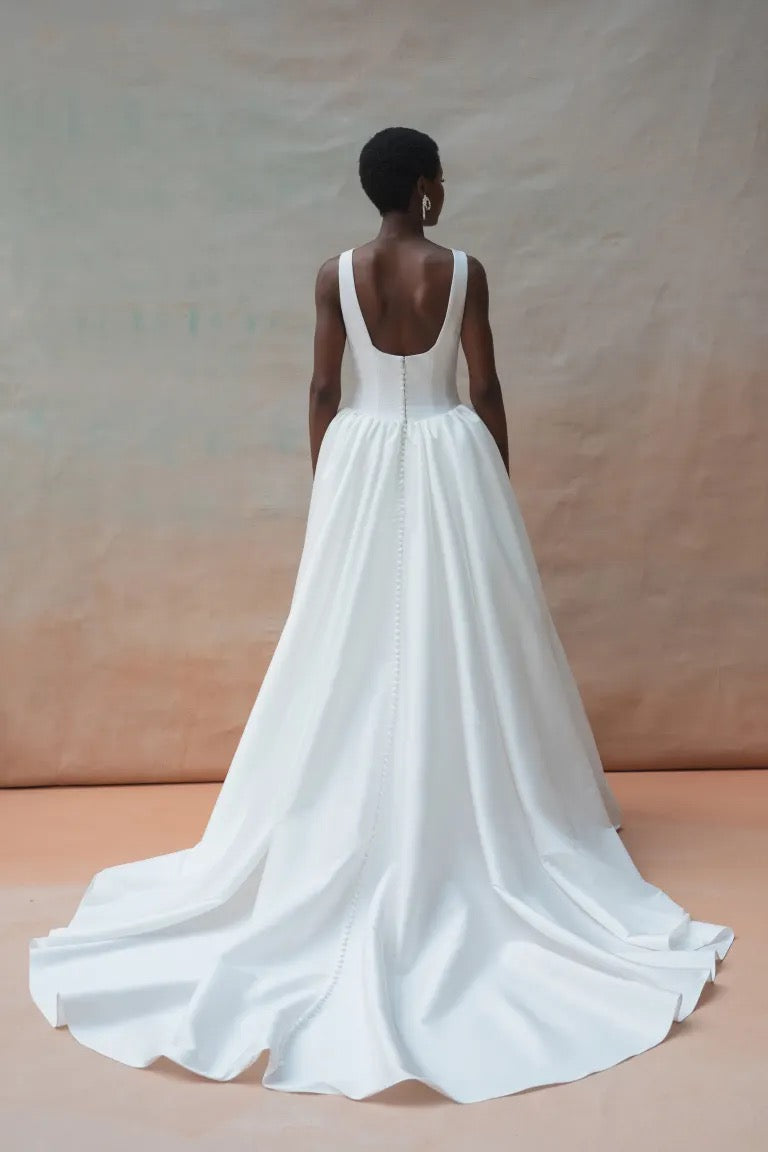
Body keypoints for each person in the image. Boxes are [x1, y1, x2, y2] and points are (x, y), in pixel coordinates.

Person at [29, 126, 734, 1104]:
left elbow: (323, 387)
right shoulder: (465, 271)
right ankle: (466, 807)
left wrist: (331, 489)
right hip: (450, 458)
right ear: (425, 185)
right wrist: (495, 476)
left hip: (364, 455)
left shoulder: (333, 275)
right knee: (464, 646)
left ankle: (358, 812)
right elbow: (483, 385)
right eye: (439, 174)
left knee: (348, 648)